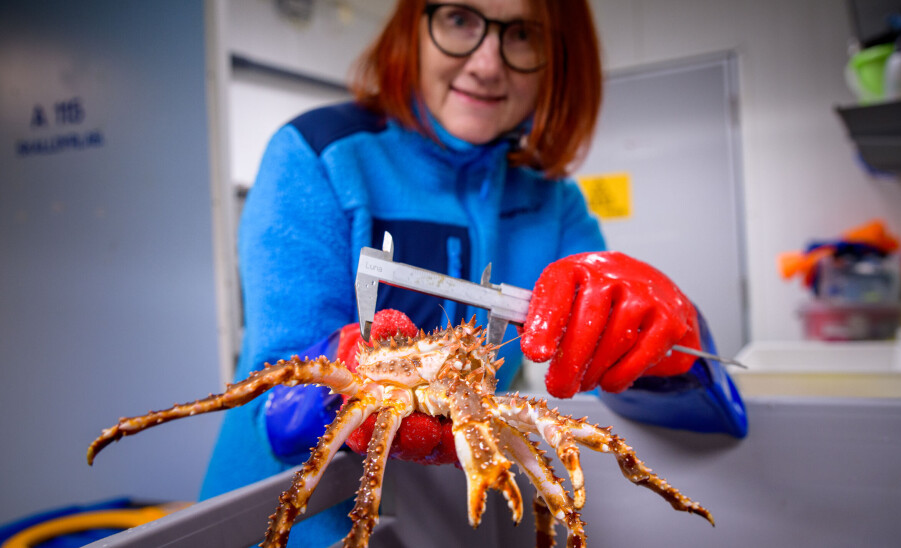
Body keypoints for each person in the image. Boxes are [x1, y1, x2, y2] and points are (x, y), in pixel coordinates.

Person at [201, 0, 745, 543]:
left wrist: (671, 343)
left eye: (524, 34)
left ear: (558, 57)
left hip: (450, 526)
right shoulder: (318, 155)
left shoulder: (555, 205)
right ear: (412, 26)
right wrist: (329, 387)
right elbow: (271, 389)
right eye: (460, 18)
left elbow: (681, 408)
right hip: (276, 523)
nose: (487, 64)